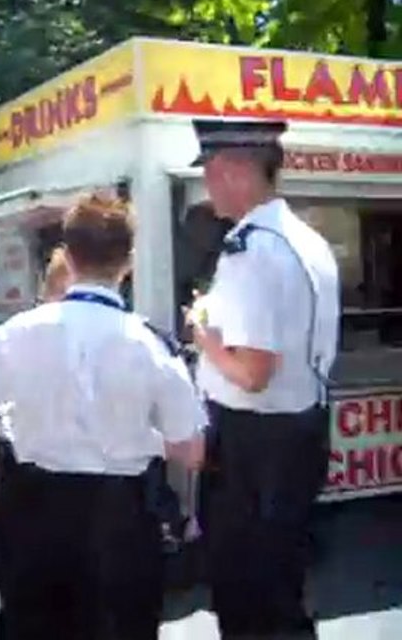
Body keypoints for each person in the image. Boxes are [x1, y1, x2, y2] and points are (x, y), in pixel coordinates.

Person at [0, 194, 207, 639]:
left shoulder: (18, 332)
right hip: (120, 515)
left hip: (34, 509)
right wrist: (142, 439)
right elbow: (192, 450)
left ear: (68, 259)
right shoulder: (150, 345)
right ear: (128, 262)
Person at [186, 119, 340, 639]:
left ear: (236, 170)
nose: (206, 185)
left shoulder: (250, 249)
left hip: (252, 444)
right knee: (282, 582)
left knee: (246, 591)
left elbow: (253, 373)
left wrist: (202, 337)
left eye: (209, 171)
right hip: (300, 430)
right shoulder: (306, 238)